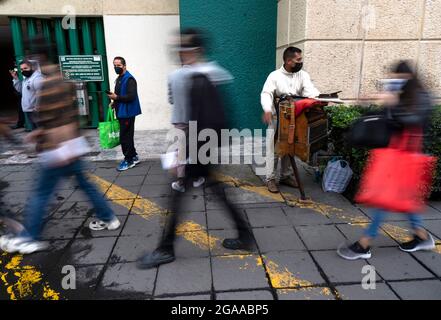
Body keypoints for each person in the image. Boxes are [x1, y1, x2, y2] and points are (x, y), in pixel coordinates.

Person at [137, 29, 253, 269]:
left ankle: (165, 248)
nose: (179, 52)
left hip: (196, 146)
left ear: (195, 50)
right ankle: (245, 235)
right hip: (205, 145)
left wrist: (182, 154)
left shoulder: (189, 77)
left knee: (177, 195)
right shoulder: (216, 73)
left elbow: (191, 120)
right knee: (216, 191)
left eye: (183, 48)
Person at [0, 47, 120, 254]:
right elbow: (69, 117)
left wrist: (56, 148)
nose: (27, 68)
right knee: (86, 185)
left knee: (41, 194)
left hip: (58, 151)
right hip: (73, 145)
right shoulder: (65, 81)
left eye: (29, 63)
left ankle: (30, 238)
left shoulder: (47, 85)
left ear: (37, 59)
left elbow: (56, 124)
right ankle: (109, 218)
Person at [337, 61, 436, 260]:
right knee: (403, 200)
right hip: (396, 155)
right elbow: (388, 121)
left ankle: (365, 243)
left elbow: (413, 120)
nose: (394, 82)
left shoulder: (421, 97)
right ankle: (422, 236)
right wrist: (371, 102)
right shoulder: (403, 95)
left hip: (406, 157)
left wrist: (394, 104)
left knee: (384, 199)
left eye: (397, 78)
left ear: (407, 77)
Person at [261, 47, 320, 193]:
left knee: (290, 147)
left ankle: (286, 175)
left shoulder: (303, 75)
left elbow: (310, 90)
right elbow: (266, 93)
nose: (301, 62)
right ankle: (270, 178)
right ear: (288, 61)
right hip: (277, 118)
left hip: (295, 118)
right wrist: (267, 109)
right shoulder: (274, 76)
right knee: (273, 149)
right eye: (298, 59)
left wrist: (320, 98)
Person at [107, 56, 142, 171]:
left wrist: (116, 97)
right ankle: (134, 156)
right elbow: (120, 95)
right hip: (122, 111)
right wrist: (114, 102)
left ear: (124, 66)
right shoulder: (120, 78)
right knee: (128, 135)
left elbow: (131, 96)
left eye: (119, 65)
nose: (116, 67)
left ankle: (128, 160)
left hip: (127, 113)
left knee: (125, 137)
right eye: (115, 65)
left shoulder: (129, 79)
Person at [10, 60, 44, 131]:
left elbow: (41, 94)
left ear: (32, 68)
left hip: (35, 111)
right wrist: (15, 79)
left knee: (39, 131)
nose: (23, 71)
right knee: (35, 131)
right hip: (29, 110)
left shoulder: (37, 78)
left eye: (25, 68)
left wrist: (37, 108)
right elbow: (20, 89)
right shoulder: (27, 78)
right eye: (21, 69)